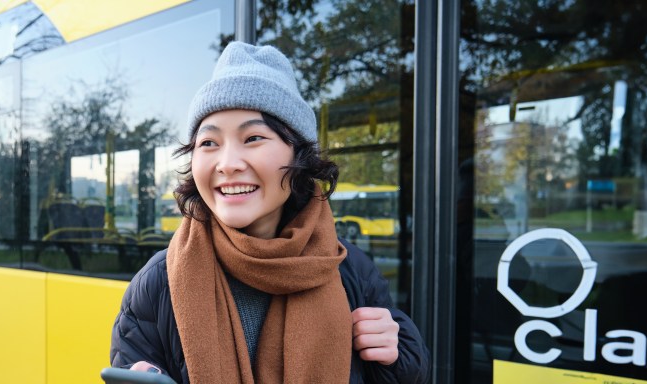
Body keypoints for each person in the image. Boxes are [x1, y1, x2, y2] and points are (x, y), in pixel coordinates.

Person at [110, 41, 429, 383]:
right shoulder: (159, 281)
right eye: (208, 143)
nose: (228, 164)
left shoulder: (351, 271)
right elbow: (130, 363)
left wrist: (396, 357)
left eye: (253, 138)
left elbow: (406, 375)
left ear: (300, 158)